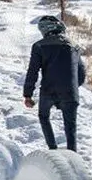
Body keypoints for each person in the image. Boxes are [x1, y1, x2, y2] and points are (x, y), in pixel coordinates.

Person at [23, 16, 85, 152]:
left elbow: (33, 71)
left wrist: (28, 95)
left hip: (48, 90)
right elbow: (81, 74)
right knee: (70, 127)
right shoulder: (74, 46)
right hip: (70, 92)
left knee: (43, 117)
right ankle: (72, 154)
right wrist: (72, 87)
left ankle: (53, 150)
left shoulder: (39, 46)